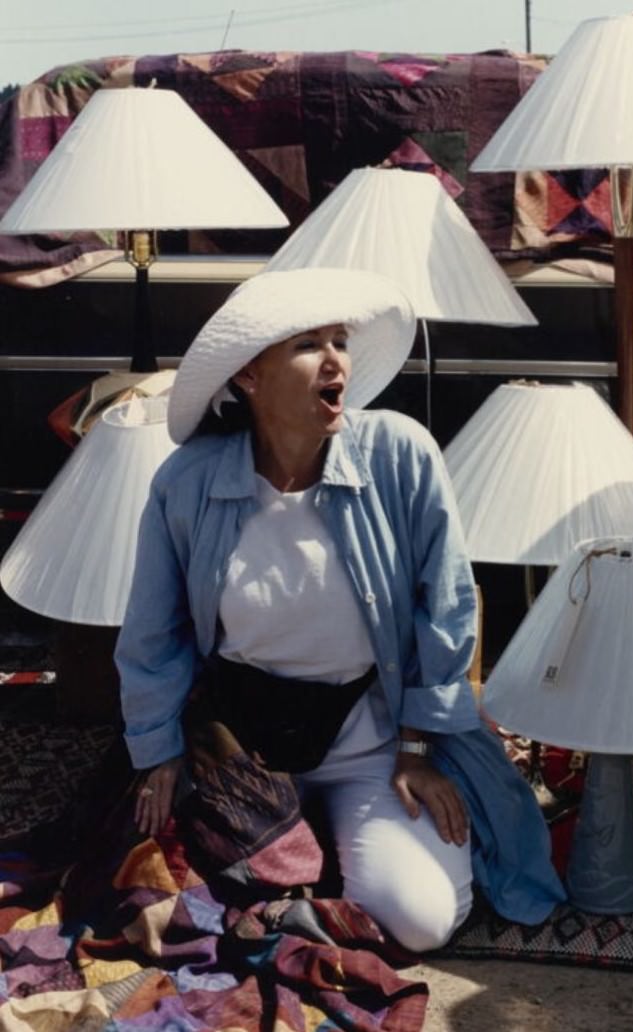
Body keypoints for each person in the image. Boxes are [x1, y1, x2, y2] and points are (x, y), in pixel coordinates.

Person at [116, 267, 564, 954]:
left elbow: (446, 609)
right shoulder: (189, 482)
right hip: (243, 743)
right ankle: (290, 859)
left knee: (420, 921)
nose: (335, 361)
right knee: (152, 900)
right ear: (249, 378)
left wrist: (417, 749)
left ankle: (308, 874)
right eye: (307, 344)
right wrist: (159, 749)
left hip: (373, 741)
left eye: (340, 341)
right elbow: (154, 631)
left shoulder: (398, 454)